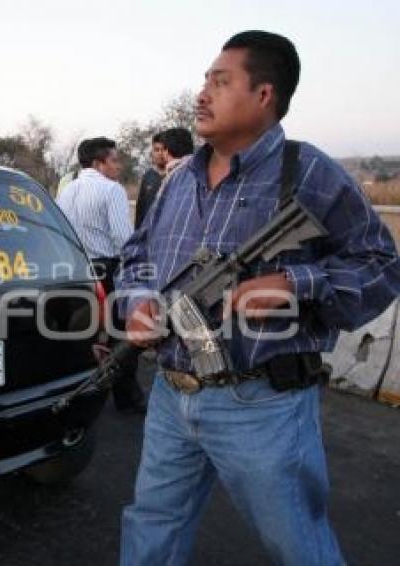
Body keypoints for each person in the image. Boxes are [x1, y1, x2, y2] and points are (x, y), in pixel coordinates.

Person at [117, 31, 400, 565]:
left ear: (264, 95)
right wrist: (137, 303)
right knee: (151, 526)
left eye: (220, 82)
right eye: (204, 81)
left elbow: (381, 263)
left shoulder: (308, 172)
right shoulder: (179, 181)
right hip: (171, 396)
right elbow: (138, 256)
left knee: (297, 544)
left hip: (261, 406)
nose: (202, 94)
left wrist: (297, 284)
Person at [56, 137, 145, 411]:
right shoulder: (111, 190)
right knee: (122, 337)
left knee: (79, 336)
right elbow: (123, 238)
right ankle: (127, 398)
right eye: (114, 160)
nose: (119, 166)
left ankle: (76, 397)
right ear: (98, 163)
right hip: (106, 270)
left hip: (72, 270)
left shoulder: (66, 191)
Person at [134, 133, 167, 228]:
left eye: (163, 149)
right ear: (152, 152)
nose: (160, 153)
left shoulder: (176, 175)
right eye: (157, 150)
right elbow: (140, 209)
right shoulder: (147, 176)